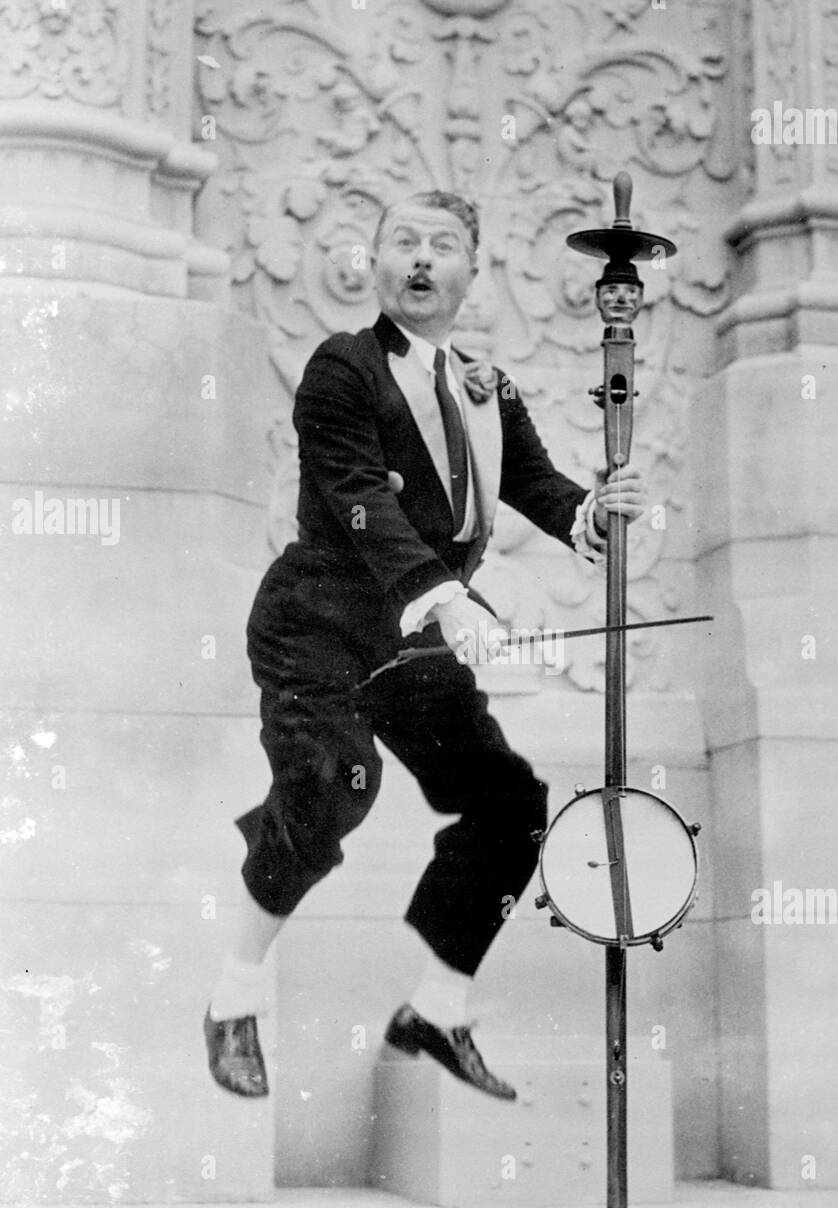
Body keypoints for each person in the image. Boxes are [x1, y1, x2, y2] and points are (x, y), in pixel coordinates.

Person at [204, 189, 646, 1102]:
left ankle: (438, 1010)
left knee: (513, 807)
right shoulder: (342, 369)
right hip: (320, 628)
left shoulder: (487, 387)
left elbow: (537, 488)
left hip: (413, 647)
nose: (419, 259)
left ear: (469, 271)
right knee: (331, 782)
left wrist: (593, 517)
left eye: (442, 245)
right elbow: (360, 498)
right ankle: (234, 992)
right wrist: (448, 597)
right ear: (375, 262)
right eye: (401, 242)